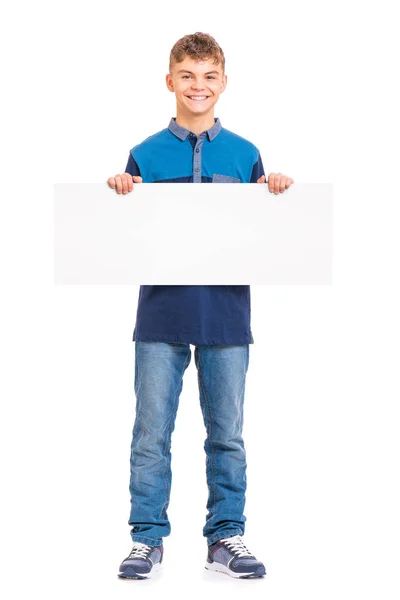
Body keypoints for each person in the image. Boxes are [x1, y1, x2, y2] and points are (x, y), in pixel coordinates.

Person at [107, 32, 294, 580]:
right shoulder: (144, 152)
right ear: (170, 81)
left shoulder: (245, 152)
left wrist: (276, 190)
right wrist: (120, 188)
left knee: (228, 433)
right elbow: (121, 232)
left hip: (227, 315)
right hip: (161, 315)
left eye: (209, 76)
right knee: (150, 432)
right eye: (187, 75)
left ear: (224, 84)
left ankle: (226, 536)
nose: (198, 85)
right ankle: (146, 540)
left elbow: (268, 234)